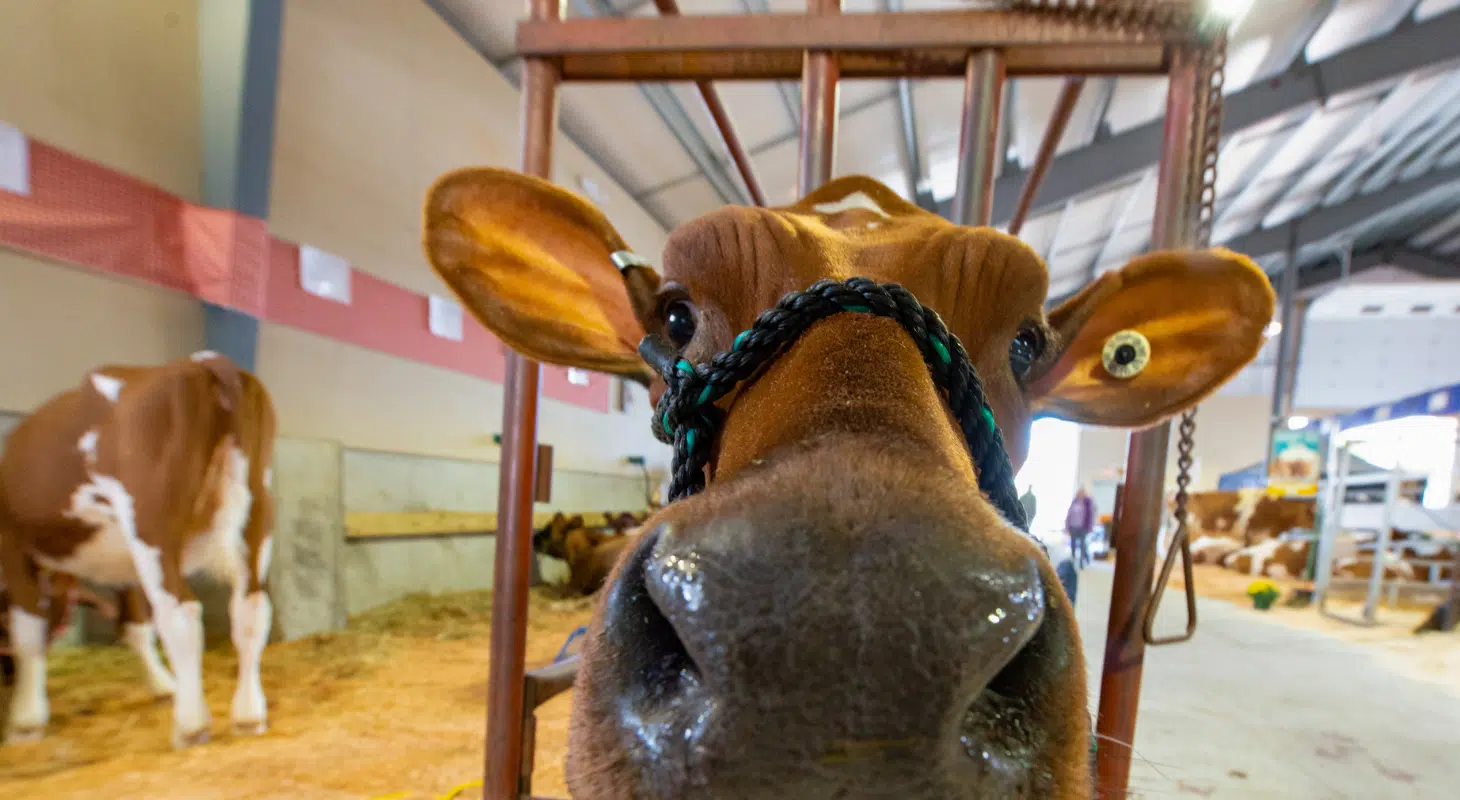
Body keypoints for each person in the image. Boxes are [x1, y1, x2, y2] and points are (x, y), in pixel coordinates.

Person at [1065, 485, 1097, 569]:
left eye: (1082, 493)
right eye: (1079, 493)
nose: (1080, 494)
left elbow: (1091, 515)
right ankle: (1072, 560)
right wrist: (1067, 526)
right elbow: (1069, 514)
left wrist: (1090, 527)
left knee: (1083, 545)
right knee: (1073, 544)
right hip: (1073, 526)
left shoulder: (1088, 503)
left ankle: (1082, 562)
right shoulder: (1074, 502)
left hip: (1083, 528)